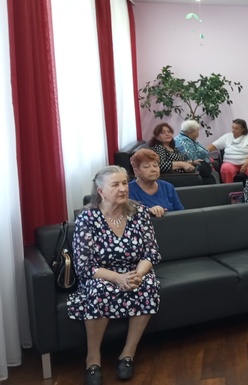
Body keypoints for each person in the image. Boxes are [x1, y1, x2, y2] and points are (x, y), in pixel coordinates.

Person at [68, 166, 161, 384]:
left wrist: (138, 274)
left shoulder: (139, 212)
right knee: (100, 290)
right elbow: (84, 265)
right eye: (115, 185)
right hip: (100, 274)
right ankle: (93, 359)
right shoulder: (87, 218)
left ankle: (127, 355)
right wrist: (118, 278)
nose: (122, 189)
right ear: (101, 191)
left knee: (148, 286)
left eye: (124, 183)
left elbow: (151, 252)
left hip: (134, 270)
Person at [128, 149, 184, 217]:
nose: (153, 170)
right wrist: (148, 211)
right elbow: (130, 216)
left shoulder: (168, 187)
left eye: (155, 165)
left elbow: (181, 213)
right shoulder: (129, 190)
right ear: (136, 171)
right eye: (147, 166)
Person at [207, 118, 248, 183]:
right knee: (225, 168)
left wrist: (245, 165)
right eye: (232, 127)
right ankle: (229, 188)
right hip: (230, 163)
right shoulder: (227, 137)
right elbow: (213, 146)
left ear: (243, 129)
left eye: (236, 128)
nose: (233, 130)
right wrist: (201, 152)